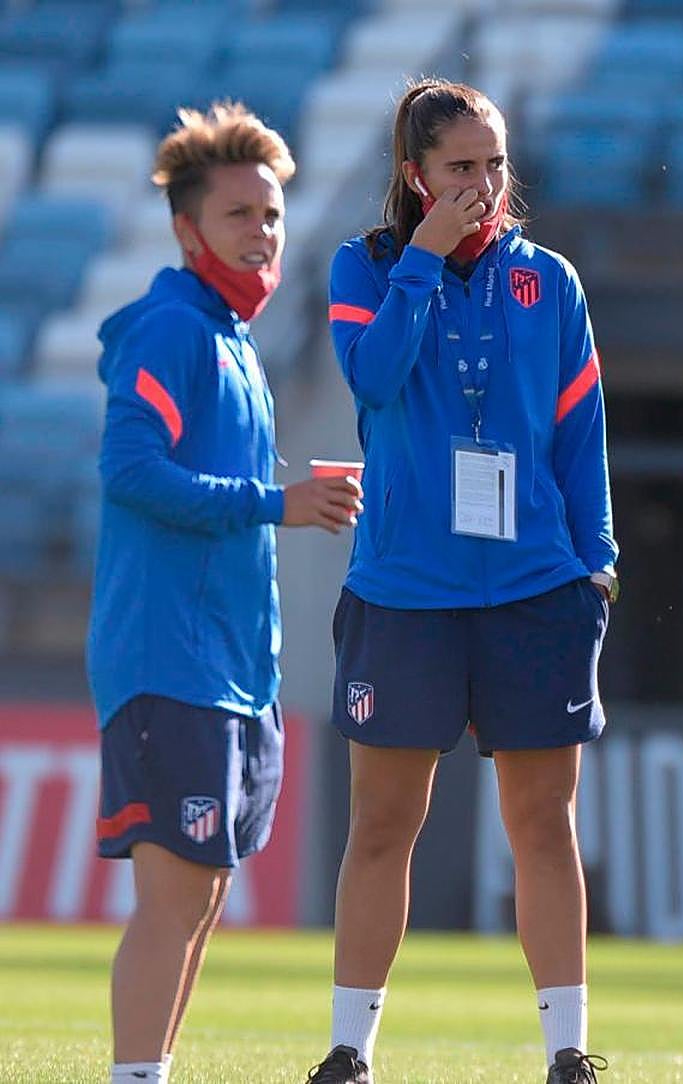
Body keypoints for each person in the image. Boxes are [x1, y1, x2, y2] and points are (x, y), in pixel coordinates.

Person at [305, 78, 616, 1084]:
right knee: (384, 825)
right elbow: (374, 378)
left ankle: (567, 1051)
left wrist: (596, 567)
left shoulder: (552, 281)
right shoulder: (366, 266)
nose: (485, 184)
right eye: (460, 167)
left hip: (535, 592)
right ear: (415, 174)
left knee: (543, 825)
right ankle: (352, 1049)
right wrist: (426, 262)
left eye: (494, 164)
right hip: (404, 592)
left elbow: (580, 440)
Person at [89, 103, 362, 1084]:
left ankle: (151, 1070)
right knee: (175, 899)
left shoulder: (236, 341)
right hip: (170, 657)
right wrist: (276, 502)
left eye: (274, 214)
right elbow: (129, 470)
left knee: (201, 898)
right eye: (241, 213)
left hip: (233, 667)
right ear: (187, 227)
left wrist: (283, 507)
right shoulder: (170, 327)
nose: (263, 231)